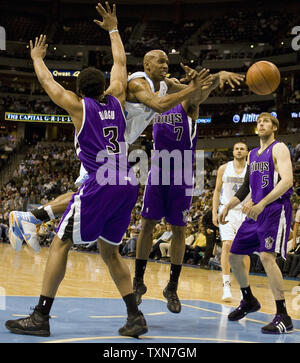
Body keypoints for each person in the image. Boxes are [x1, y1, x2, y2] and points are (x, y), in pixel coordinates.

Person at [6, 2, 151, 338]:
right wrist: (114, 29)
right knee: (109, 252)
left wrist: (37, 60)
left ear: (79, 90)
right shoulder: (116, 97)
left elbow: (48, 85)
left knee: (59, 243)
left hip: (100, 183)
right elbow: (120, 63)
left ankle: (40, 317)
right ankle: (135, 317)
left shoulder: (77, 106)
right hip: (128, 182)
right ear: (104, 87)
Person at [9, 50, 213, 254]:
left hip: (115, 147)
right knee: (86, 195)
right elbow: (154, 99)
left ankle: (30, 218)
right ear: (147, 64)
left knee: (85, 194)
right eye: (161, 61)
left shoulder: (162, 85)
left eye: (167, 62)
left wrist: (205, 81)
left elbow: (196, 94)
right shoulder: (134, 85)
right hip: (102, 142)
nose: (165, 66)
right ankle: (29, 218)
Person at [133, 69, 245, 313]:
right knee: (147, 224)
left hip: (182, 175)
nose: (176, 80)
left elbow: (202, 90)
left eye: (180, 80)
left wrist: (219, 76)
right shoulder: (157, 103)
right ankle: (138, 281)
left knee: (179, 229)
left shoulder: (189, 101)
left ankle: (171, 286)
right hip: (157, 170)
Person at [219, 112, 294, 334]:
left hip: (274, 209)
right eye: (259, 122)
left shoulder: (279, 148)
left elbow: (288, 180)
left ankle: (283, 315)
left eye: (266, 122)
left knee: (266, 256)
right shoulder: (252, 154)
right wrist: (227, 206)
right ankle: (248, 299)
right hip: (256, 211)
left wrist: (261, 203)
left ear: (274, 127)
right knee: (233, 254)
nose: (261, 124)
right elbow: (245, 189)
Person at [212, 142, 250, 302]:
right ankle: (226, 286)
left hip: (245, 212)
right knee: (227, 245)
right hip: (227, 211)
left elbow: (256, 189)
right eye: (236, 148)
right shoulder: (223, 168)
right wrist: (214, 211)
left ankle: (244, 288)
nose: (239, 151)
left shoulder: (251, 169)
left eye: (242, 148)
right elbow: (217, 191)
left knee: (244, 250)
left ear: (247, 152)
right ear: (233, 151)